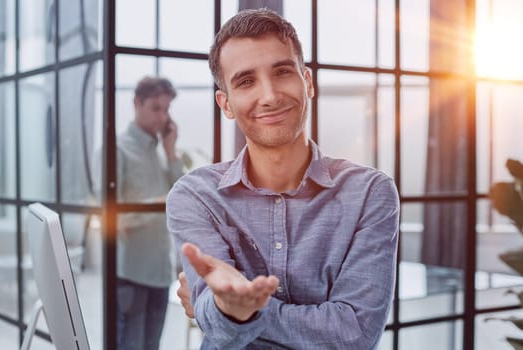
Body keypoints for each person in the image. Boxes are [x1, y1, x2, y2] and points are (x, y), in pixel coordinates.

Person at [166, 8, 399, 350]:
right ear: (225, 103)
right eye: (246, 81)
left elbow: (354, 334)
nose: (270, 95)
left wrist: (240, 314)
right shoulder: (196, 196)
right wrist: (220, 313)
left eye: (282, 72)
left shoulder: (370, 193)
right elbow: (214, 319)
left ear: (308, 82)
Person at [113, 76, 185, 350]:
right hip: (131, 274)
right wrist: (159, 202)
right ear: (136, 103)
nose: (162, 116)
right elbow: (111, 217)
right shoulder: (116, 150)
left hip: (160, 273)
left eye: (166, 109)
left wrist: (170, 151)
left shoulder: (158, 150)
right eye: (156, 108)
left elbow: (181, 197)